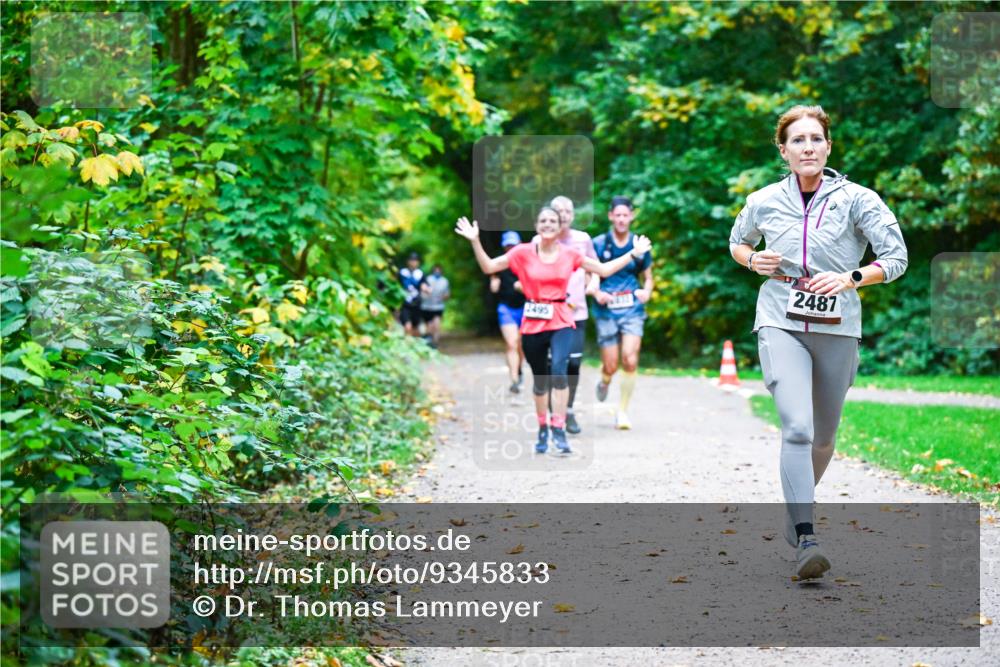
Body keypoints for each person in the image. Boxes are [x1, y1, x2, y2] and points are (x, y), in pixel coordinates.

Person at [728, 104, 907, 580]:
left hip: (837, 326)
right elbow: (737, 241)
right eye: (797, 140)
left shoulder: (859, 200)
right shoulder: (763, 199)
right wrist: (752, 261)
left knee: (824, 437)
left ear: (828, 146)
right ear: (783, 150)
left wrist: (850, 278)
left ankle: (796, 505)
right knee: (798, 429)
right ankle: (807, 536)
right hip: (780, 318)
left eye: (815, 139)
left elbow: (896, 258)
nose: (807, 147)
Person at [455, 209, 651, 455]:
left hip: (560, 318)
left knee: (559, 372)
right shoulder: (522, 252)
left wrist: (632, 254)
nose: (548, 225)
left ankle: (558, 429)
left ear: (560, 228)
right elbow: (489, 267)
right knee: (540, 380)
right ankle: (542, 428)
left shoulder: (570, 254)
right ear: (537, 225)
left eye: (553, 221)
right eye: (543, 220)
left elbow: (603, 270)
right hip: (533, 322)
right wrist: (475, 240)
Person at [533, 196, 596, 434]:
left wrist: (594, 284)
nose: (564, 214)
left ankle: (567, 410)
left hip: (576, 311)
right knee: (552, 364)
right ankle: (553, 413)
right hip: (547, 312)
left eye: (568, 210)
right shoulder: (538, 241)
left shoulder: (582, 239)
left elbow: (595, 268)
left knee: (573, 363)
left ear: (572, 214)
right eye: (558, 211)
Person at [589, 196, 653, 430]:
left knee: (630, 358)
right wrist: (597, 293)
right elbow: (591, 276)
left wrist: (646, 292)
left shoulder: (640, 245)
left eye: (626, 215)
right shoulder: (598, 244)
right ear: (610, 216)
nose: (622, 219)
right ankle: (605, 380)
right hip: (606, 310)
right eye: (618, 215)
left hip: (632, 310)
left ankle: (622, 412)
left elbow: (648, 279)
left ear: (631, 216)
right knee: (611, 365)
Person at [490, 231, 526, 393]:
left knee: (521, 345)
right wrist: (494, 283)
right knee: (511, 343)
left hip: (526, 308)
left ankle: (519, 369)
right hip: (506, 308)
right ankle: (514, 380)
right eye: (508, 245)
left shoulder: (528, 263)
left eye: (514, 245)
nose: (511, 248)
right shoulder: (499, 264)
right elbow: (493, 283)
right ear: (504, 246)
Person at [420, 264, 450, 349]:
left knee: (437, 325)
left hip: (438, 306)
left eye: (439, 270)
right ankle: (429, 341)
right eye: (435, 270)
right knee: (429, 326)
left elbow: (447, 293)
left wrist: (444, 297)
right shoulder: (428, 279)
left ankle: (435, 342)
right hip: (427, 306)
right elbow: (422, 290)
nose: (437, 272)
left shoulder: (445, 281)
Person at [397, 252, 424, 337]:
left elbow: (424, 284)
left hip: (417, 303)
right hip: (405, 303)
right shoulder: (402, 273)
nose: (413, 262)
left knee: (415, 328)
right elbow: (395, 284)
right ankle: (408, 345)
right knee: (407, 326)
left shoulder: (420, 274)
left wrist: (426, 288)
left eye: (415, 261)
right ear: (408, 262)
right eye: (412, 260)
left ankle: (415, 346)